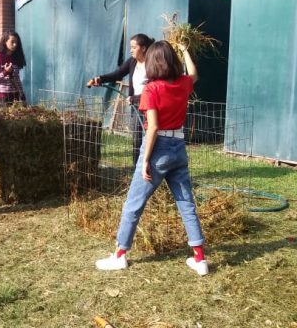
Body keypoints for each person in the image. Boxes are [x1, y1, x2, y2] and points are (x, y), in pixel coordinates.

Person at [95, 40, 208, 276]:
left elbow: (153, 127)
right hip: (179, 146)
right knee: (186, 203)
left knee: (133, 204)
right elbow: (194, 73)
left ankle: (120, 255)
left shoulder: (152, 89)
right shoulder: (183, 83)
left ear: (152, 64)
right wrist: (186, 49)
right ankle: (200, 258)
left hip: (157, 149)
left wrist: (145, 160)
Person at [87, 33, 154, 165]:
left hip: (150, 107)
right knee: (137, 139)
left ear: (144, 48)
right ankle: (137, 169)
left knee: (151, 138)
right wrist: (100, 79)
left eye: (134, 47)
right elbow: (118, 74)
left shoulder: (152, 64)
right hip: (136, 106)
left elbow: (154, 88)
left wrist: (135, 97)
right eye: (131, 47)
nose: (131, 50)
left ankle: (151, 168)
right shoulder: (132, 62)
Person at [0, 30, 27, 108]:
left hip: (15, 95)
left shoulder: (15, 58)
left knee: (16, 118)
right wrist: (5, 72)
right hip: (3, 96)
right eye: (12, 42)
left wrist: (22, 94)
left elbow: (17, 79)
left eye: (16, 42)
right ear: (5, 42)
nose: (15, 44)